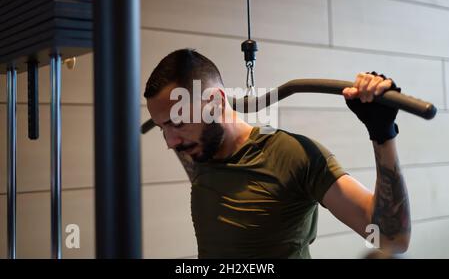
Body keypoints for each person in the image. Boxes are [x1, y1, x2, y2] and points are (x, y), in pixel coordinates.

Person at [144, 48, 411, 259]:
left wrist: (382, 133)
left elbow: (392, 239)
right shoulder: (198, 151)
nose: (170, 142)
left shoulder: (292, 155)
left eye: (177, 123)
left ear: (215, 102)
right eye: (161, 128)